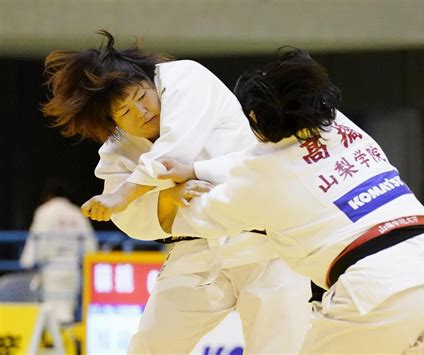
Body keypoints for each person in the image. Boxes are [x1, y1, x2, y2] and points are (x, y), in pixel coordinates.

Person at [157, 49, 424, 354]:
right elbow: (254, 158)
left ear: (254, 118)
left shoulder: (260, 176)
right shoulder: (342, 126)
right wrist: (197, 168)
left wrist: (162, 195)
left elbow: (191, 217)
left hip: (378, 288)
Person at [42, 31, 311, 354]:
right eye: (126, 113)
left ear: (151, 82)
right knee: (150, 347)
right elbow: (127, 220)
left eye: (142, 98)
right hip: (197, 251)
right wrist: (164, 201)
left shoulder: (183, 77)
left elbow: (176, 152)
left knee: (281, 349)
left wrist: (127, 193)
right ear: (113, 123)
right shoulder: (118, 147)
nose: (141, 112)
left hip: (265, 242)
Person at [20, 178, 97, 324]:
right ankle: (64, 341)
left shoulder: (45, 211)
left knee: (52, 309)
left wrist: (27, 263)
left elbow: (36, 238)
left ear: (47, 196)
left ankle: (57, 343)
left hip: (52, 268)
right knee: (68, 308)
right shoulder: (76, 213)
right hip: (73, 269)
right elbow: (90, 245)